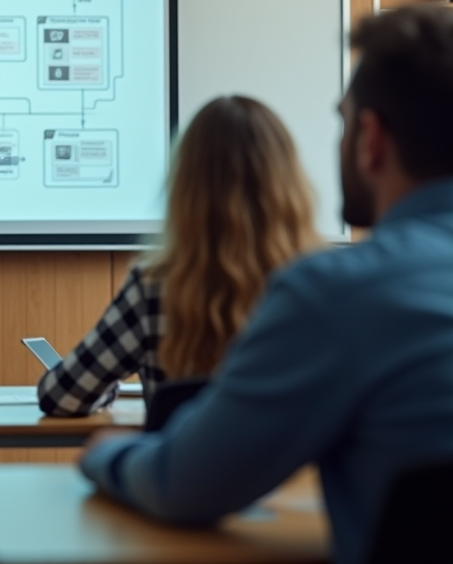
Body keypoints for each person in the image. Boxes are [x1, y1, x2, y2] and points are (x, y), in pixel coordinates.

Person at [79, 3, 453, 564]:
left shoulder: (337, 295)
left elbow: (185, 485)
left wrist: (106, 453)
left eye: (344, 120)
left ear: (370, 139)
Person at [38, 95, 323, 415]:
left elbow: (62, 396)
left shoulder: (153, 289)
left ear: (184, 186)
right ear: (289, 183)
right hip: (288, 467)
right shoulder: (324, 286)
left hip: (176, 466)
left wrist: (107, 389)